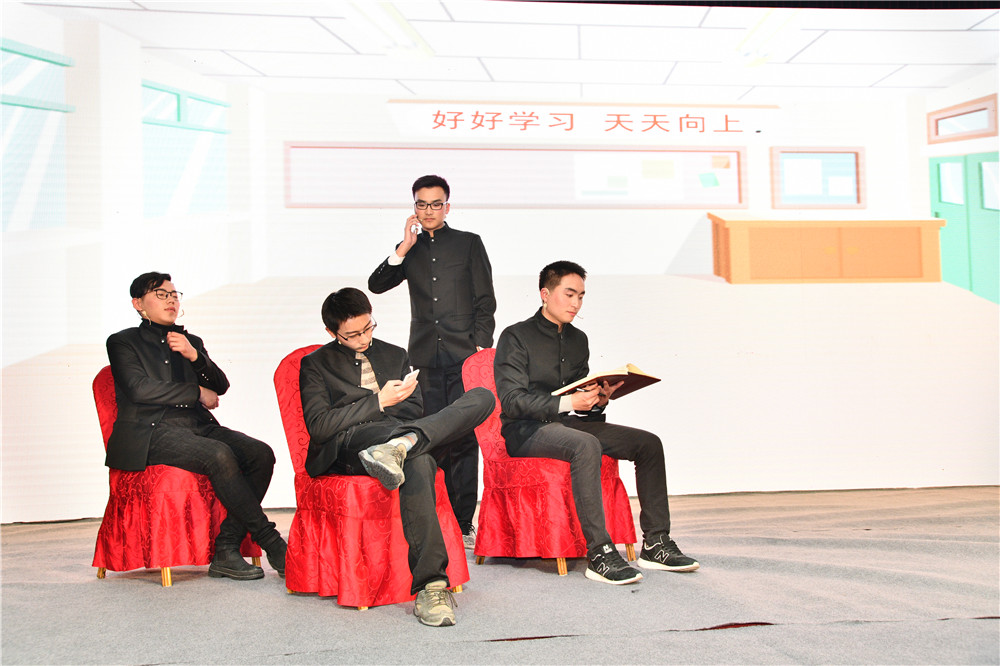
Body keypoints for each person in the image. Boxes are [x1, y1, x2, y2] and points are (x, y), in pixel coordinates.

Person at [493, 261, 699, 585]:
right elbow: (512, 400)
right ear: (545, 294)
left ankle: (656, 543)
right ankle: (600, 553)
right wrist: (568, 403)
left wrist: (598, 399)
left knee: (648, 444)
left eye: (581, 296)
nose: (576, 303)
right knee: (585, 444)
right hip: (525, 430)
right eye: (569, 294)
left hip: (567, 425)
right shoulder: (515, 336)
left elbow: (580, 403)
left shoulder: (579, 340)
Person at [298, 287, 494, 627]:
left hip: (400, 432)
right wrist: (378, 402)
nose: (364, 338)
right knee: (420, 458)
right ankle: (432, 587)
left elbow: (415, 408)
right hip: (351, 444)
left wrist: (399, 417)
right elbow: (320, 426)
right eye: (353, 335)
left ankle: (402, 446)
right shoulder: (315, 364)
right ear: (332, 332)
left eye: (368, 327)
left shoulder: (394, 353)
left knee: (482, 397)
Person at [105, 272, 287, 581]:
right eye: (161, 294)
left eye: (174, 294)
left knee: (260, 453)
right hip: (152, 431)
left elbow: (220, 386)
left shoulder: (191, 341)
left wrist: (194, 355)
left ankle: (226, 548)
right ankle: (272, 541)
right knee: (218, 454)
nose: (171, 300)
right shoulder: (123, 341)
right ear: (138, 304)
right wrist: (195, 392)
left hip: (197, 425)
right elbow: (138, 388)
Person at [368, 175, 496, 549]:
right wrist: (403, 248)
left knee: (464, 438)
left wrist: (480, 347)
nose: (428, 210)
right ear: (414, 207)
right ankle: (435, 517)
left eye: (435, 204)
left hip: (463, 355)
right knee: (429, 434)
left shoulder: (469, 243)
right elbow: (376, 285)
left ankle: (463, 522)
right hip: (424, 356)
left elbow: (485, 300)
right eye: (421, 204)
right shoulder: (410, 249)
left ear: (447, 207)